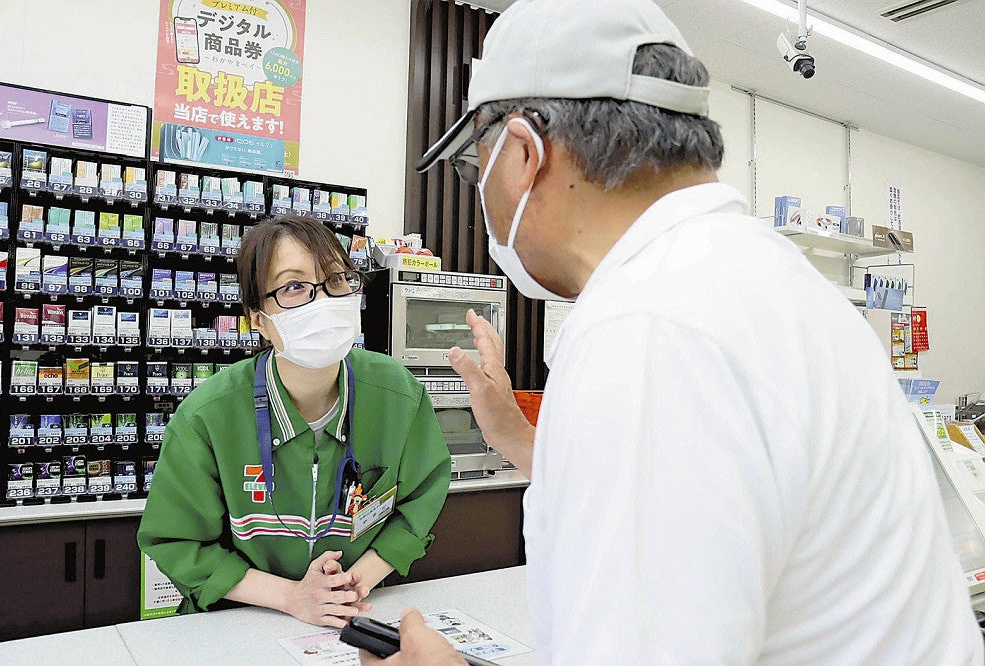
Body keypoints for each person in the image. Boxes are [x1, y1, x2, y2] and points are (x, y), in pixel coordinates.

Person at [363, 0, 984, 663]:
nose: (479, 194)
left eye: (472, 166)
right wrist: (518, 438)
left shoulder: (647, 330)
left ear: (523, 153)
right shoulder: (766, 280)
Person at [137, 215, 451, 628]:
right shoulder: (207, 417)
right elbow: (177, 541)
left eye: (337, 280)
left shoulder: (398, 395)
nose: (323, 301)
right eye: (294, 287)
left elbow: (420, 500)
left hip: (353, 616)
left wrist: (353, 584)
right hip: (238, 623)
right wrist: (291, 597)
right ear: (258, 319)